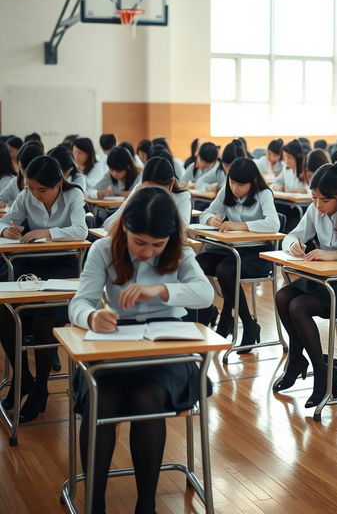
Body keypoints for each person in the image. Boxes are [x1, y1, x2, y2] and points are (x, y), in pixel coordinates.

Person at [68, 187, 213, 514]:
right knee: (100, 400)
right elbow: (79, 302)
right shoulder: (104, 249)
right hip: (116, 338)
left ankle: (146, 504)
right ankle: (95, 502)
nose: (148, 252)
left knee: (147, 398)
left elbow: (204, 293)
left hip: (167, 340)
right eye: (139, 242)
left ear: (170, 238)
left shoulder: (179, 251)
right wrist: (91, 316)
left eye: (157, 245)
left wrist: (160, 289)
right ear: (126, 231)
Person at [273, 163, 337, 407]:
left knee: (298, 306)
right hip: (326, 281)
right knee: (282, 297)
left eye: (324, 200)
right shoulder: (314, 209)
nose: (318, 205)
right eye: (314, 198)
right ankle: (300, 359)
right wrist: (294, 245)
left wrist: (335, 254)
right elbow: (291, 236)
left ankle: (320, 372)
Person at [0, 156, 88, 422]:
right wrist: (7, 231)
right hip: (30, 264)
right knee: (3, 311)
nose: (36, 195)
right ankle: (23, 377)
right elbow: (5, 220)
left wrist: (48, 233)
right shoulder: (26, 196)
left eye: (43, 190)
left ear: (58, 183)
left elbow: (81, 230)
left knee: (44, 316)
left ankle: (40, 386)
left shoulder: (73, 195)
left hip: (61, 265)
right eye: (31, 188)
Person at [195, 158, 279, 343]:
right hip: (229, 250)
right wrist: (211, 220)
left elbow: (274, 223)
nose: (235, 188)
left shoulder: (264, 194)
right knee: (198, 263)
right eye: (232, 182)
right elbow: (205, 213)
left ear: (253, 182)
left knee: (225, 270)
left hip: (256, 253)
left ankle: (246, 323)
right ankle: (207, 311)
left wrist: (241, 225)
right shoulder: (227, 191)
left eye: (241, 184)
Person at [102, 157, 192, 232]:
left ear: (171, 184)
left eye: (158, 190)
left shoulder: (183, 196)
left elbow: (182, 228)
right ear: (143, 184)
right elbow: (108, 225)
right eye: (148, 189)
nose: (153, 195)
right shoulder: (139, 190)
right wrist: (133, 200)